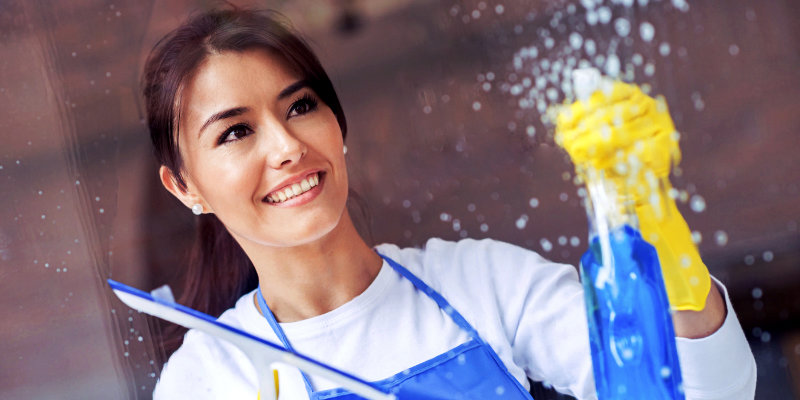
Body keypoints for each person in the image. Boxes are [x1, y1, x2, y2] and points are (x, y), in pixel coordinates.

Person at [143, 6, 756, 400]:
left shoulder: (482, 282)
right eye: (235, 131)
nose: (285, 146)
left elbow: (710, 393)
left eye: (300, 106)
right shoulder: (213, 379)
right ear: (185, 187)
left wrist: (649, 221)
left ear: (339, 123)